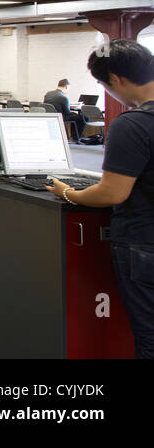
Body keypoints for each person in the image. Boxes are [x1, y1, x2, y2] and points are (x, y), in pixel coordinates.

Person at [48, 39, 154, 357]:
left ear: (117, 80)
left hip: (143, 243)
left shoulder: (133, 124)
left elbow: (113, 192)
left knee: (149, 334)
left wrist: (68, 191)